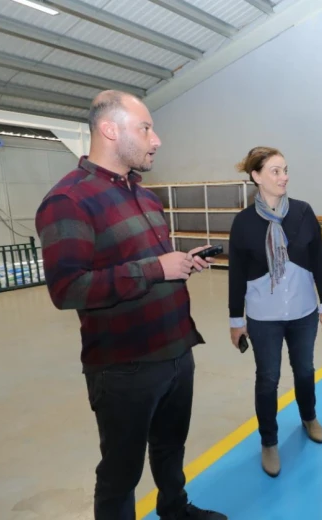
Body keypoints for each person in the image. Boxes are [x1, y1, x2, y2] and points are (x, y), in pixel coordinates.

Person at [34, 91, 226, 520]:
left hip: (176, 348)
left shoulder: (145, 195)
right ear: (110, 130)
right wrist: (156, 268)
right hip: (124, 365)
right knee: (121, 471)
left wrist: (178, 265)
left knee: (170, 446)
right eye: (145, 129)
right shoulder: (69, 200)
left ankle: (174, 509)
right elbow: (67, 288)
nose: (156, 140)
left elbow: (146, 265)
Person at [228, 146, 322, 478]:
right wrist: (236, 319)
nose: (284, 177)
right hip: (263, 317)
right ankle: (269, 441)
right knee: (268, 378)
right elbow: (236, 275)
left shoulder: (302, 212)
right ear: (256, 176)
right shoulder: (244, 222)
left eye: (285, 170)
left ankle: (309, 416)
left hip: (303, 312)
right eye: (275, 171)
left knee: (305, 370)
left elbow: (318, 259)